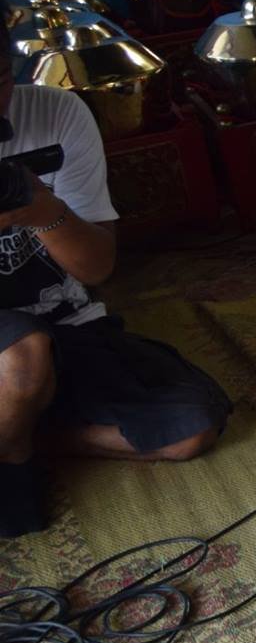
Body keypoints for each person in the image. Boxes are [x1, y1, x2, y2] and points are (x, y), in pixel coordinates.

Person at [0, 75, 231, 536]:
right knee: (23, 356)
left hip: (69, 325)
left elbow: (97, 268)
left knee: (191, 428)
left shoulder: (56, 112)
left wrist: (43, 212)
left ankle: (28, 431)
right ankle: (14, 449)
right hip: (11, 346)